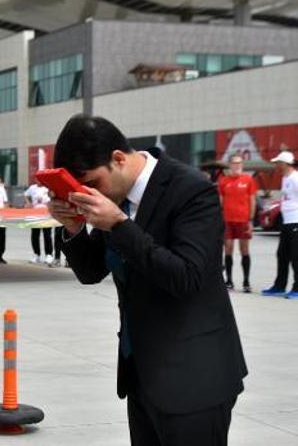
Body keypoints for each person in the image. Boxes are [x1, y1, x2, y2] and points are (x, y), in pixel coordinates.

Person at [48, 114, 247, 445]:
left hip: (194, 377)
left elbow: (187, 276)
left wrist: (120, 226)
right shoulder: (115, 200)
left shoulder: (192, 190)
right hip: (142, 374)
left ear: (118, 159)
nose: (90, 195)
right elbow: (91, 272)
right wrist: (73, 228)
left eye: (92, 184)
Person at [217, 154, 257, 292]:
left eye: (239, 163)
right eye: (234, 163)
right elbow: (220, 202)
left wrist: (251, 220)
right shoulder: (223, 181)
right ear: (230, 165)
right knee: (228, 249)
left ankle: (246, 282)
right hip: (227, 220)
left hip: (243, 221)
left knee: (244, 250)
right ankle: (229, 281)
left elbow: (252, 200)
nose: (237, 166)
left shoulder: (248, 180)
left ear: (242, 165)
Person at [262, 151, 298, 298]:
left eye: (278, 163)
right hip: (286, 221)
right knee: (282, 254)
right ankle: (279, 286)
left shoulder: (296, 178)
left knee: (296, 256)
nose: (276, 165)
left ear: (285, 164)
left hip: (296, 221)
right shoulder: (285, 178)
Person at [24, 182, 62, 266]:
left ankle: (49, 254)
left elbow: (54, 196)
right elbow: (25, 195)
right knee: (35, 234)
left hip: (46, 214)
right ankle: (36, 254)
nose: (38, 181)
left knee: (47, 234)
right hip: (35, 214)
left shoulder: (47, 187)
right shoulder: (32, 188)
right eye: (37, 179)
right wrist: (28, 202)